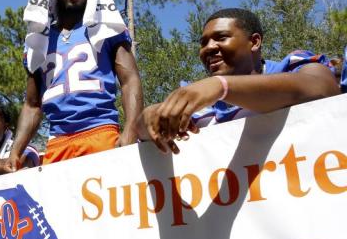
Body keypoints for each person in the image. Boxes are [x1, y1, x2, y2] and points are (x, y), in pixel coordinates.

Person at [7, 0, 143, 168]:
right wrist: (15, 152)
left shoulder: (107, 28)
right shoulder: (38, 40)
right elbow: (32, 104)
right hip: (57, 143)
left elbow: (130, 80)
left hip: (101, 133)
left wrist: (131, 129)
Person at [137, 8, 339, 153]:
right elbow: (143, 130)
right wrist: (149, 118)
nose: (208, 47)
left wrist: (221, 87)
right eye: (203, 42)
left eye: (221, 37)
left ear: (254, 42)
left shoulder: (292, 66)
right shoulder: (197, 109)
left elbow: (324, 88)